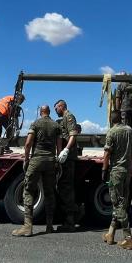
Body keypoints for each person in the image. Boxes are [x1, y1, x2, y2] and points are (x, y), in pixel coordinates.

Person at [12, 104, 61, 237]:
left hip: (37, 161)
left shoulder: (35, 123)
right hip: (50, 161)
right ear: (49, 112)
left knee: (28, 191)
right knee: (50, 192)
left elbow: (28, 143)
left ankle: (28, 226)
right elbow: (59, 146)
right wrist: (57, 160)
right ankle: (50, 226)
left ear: (41, 112)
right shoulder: (56, 126)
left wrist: (26, 159)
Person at [102, 109, 132, 249]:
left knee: (118, 204)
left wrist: (104, 169)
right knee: (122, 202)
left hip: (116, 172)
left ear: (111, 119)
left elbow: (107, 153)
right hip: (128, 171)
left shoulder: (112, 132)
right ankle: (110, 234)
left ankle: (128, 238)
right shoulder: (129, 130)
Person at [54, 99, 80, 231]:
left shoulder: (69, 116)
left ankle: (70, 222)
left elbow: (73, 135)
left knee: (66, 187)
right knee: (64, 186)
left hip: (68, 158)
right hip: (66, 157)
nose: (55, 111)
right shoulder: (64, 117)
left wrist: (66, 150)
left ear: (61, 106)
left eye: (56, 108)